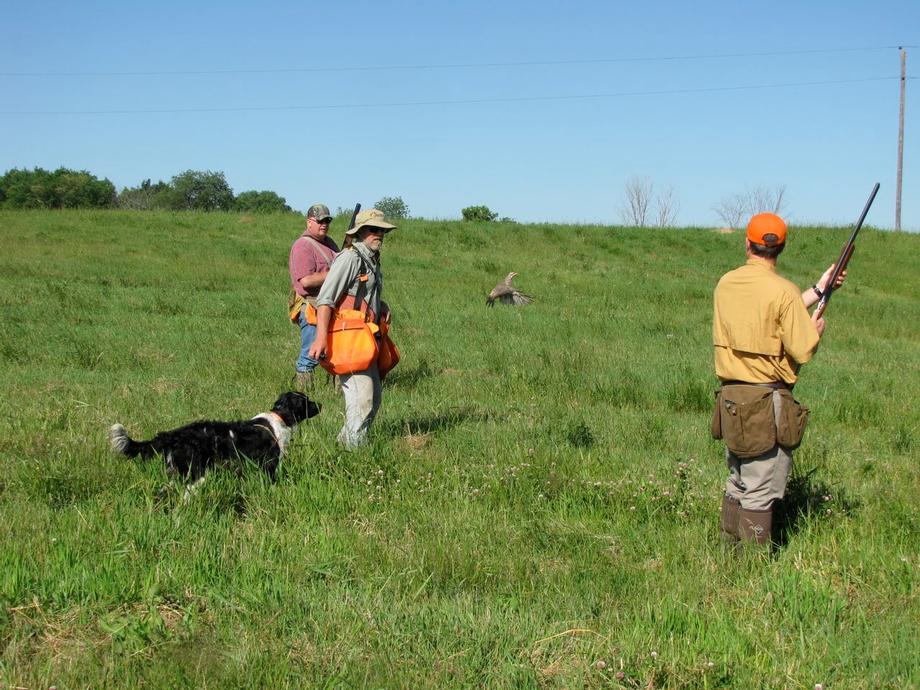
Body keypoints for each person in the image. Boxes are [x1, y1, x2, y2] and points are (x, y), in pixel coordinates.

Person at [712, 212, 844, 546]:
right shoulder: (783, 292)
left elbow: (766, 313)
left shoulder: (725, 284)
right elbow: (801, 350)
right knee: (760, 487)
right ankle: (751, 570)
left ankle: (728, 554)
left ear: (747, 244)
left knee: (738, 479)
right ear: (780, 248)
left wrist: (818, 289)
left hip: (730, 400)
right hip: (765, 402)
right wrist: (814, 332)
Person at [308, 208, 396, 447]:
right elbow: (325, 299)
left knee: (373, 398)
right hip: (350, 339)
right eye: (374, 230)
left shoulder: (371, 258)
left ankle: (350, 443)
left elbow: (359, 295)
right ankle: (351, 452)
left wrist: (381, 305)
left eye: (382, 230)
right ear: (360, 232)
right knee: (362, 398)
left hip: (366, 339)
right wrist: (320, 339)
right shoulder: (350, 258)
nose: (379, 234)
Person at [289, 203, 339, 390]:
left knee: (334, 352)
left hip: (330, 306)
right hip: (311, 307)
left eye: (327, 220)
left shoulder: (330, 243)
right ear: (309, 222)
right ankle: (303, 394)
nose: (324, 224)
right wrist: (335, 274)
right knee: (310, 354)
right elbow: (306, 281)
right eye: (320, 221)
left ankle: (338, 393)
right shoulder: (302, 246)